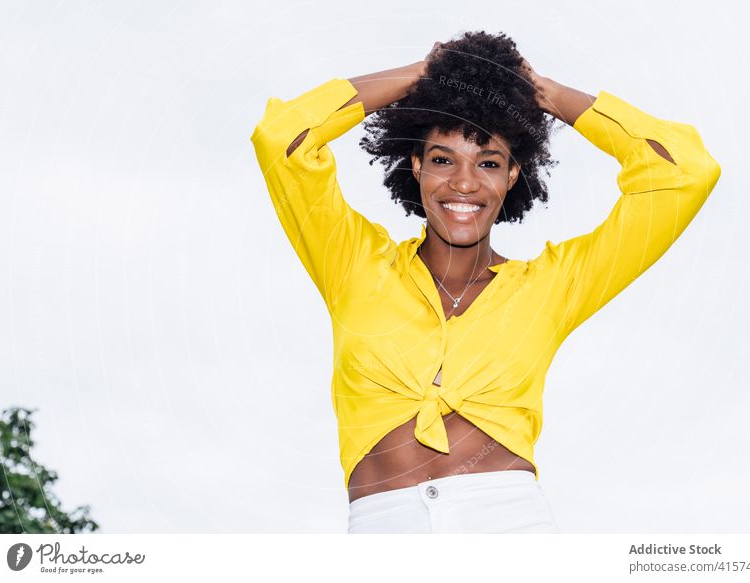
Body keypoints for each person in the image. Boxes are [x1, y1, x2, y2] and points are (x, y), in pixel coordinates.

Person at [251, 30, 721, 534]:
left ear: (513, 176)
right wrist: (424, 74)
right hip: (382, 526)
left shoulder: (553, 285)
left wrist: (542, 93)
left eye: (489, 163)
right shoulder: (352, 264)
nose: (464, 182)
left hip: (509, 524)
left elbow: (684, 171)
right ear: (416, 165)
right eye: (442, 159)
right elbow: (284, 138)